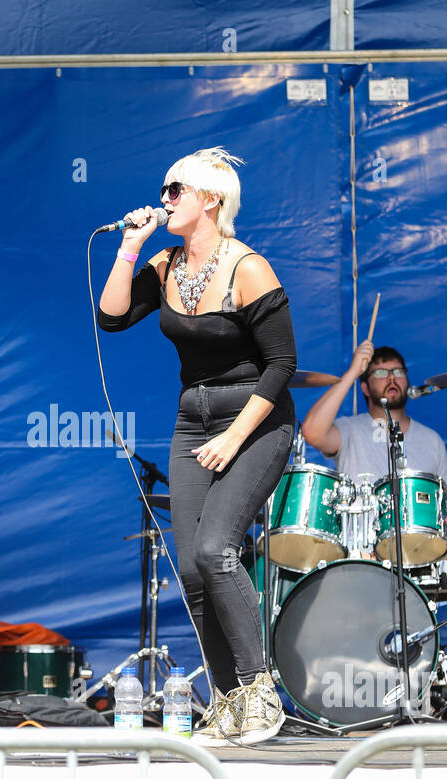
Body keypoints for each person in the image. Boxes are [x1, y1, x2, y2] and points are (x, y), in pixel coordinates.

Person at [97, 148, 297, 744]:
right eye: (164, 190)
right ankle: (229, 699)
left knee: (215, 550)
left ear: (210, 199)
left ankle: (261, 694)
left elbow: (283, 363)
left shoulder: (248, 268)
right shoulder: (165, 264)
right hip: (194, 421)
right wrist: (130, 245)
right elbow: (110, 316)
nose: (164, 199)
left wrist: (236, 438)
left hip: (255, 421)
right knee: (188, 567)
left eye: (175, 190)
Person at [301, 342, 447, 709]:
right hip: (365, 553)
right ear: (365, 385)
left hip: (422, 552)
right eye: (380, 373)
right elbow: (311, 431)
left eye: (398, 372)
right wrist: (349, 373)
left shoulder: (430, 440)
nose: (391, 379)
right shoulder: (349, 430)